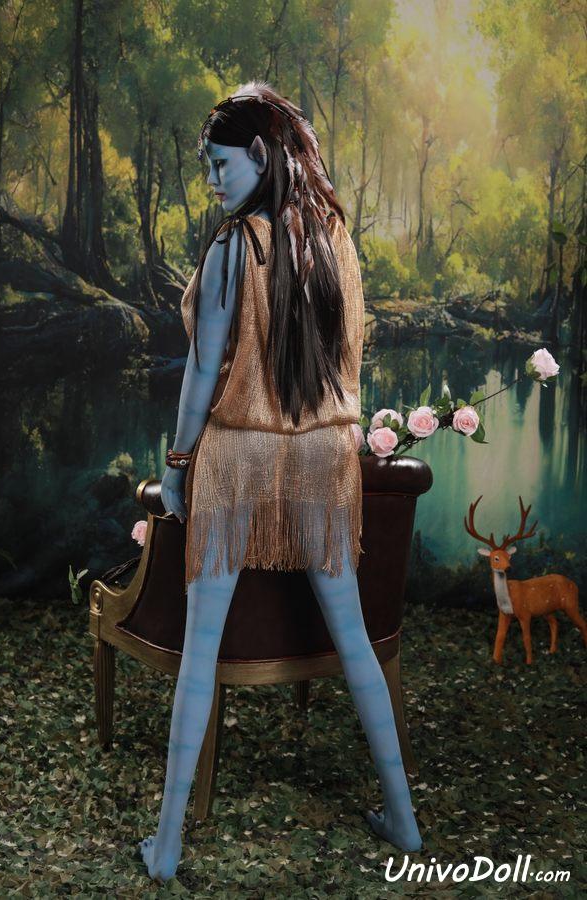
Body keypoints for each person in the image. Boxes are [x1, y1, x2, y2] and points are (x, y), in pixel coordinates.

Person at [139, 80, 422, 883]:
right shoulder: (335, 240)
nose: (211, 179)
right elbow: (349, 364)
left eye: (219, 163)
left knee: (201, 649)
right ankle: (405, 821)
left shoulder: (234, 248)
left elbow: (202, 376)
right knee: (354, 637)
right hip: (326, 460)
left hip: (239, 459)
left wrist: (176, 466)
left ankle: (166, 847)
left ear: (260, 155)